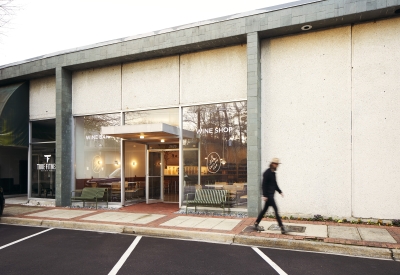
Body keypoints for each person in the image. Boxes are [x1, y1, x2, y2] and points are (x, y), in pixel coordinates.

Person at [254, 158, 286, 234]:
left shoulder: (273, 173)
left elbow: (275, 184)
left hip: (271, 195)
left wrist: (280, 191)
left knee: (264, 210)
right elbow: (263, 185)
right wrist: (264, 195)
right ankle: (282, 227)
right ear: (273, 164)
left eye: (277, 165)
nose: (277, 166)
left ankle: (256, 223)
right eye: (276, 164)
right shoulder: (267, 173)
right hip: (269, 196)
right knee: (276, 210)